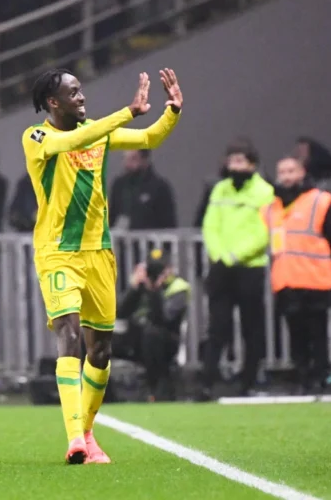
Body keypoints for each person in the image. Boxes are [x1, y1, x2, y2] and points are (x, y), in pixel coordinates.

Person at [21, 68, 183, 464]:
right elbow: (73, 140)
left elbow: (148, 138)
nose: (82, 98)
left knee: (101, 350)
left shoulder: (96, 130)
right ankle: (74, 437)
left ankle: (89, 435)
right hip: (58, 251)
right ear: (52, 102)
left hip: (99, 253)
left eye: (81, 90)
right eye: (73, 92)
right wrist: (127, 111)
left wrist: (172, 111)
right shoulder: (37, 136)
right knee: (68, 332)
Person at [263, 156, 331, 394]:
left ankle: (320, 377)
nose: (287, 176)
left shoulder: (320, 201)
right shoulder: (271, 207)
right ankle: (302, 378)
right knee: (296, 335)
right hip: (286, 281)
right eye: (282, 171)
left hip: (315, 280)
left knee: (317, 334)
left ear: (302, 173)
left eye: (291, 171)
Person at [200, 143, 274, 400]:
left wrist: (234, 255)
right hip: (222, 267)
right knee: (217, 327)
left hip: (250, 269)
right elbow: (210, 225)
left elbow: (264, 231)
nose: (235, 166)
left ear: (252, 165)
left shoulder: (265, 192)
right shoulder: (220, 189)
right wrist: (219, 255)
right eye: (232, 161)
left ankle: (249, 381)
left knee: (252, 328)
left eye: (241, 161)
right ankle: (207, 382)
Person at [114, 248, 190, 401]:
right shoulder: (141, 284)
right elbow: (120, 313)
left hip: (166, 340)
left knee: (151, 334)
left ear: (170, 269)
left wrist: (154, 290)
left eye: (161, 269)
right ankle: (101, 393)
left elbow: (164, 318)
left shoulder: (179, 287)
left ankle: (157, 391)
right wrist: (134, 289)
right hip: (137, 336)